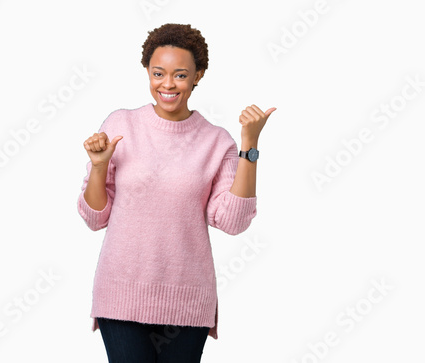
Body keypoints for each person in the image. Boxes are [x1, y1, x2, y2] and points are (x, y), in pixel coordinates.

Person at [77, 23, 276, 363]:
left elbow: (232, 220)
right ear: (147, 72)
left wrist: (250, 145)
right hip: (121, 296)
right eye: (158, 73)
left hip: (187, 303)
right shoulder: (120, 125)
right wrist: (98, 166)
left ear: (198, 75)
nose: (167, 84)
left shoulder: (217, 141)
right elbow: (95, 217)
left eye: (180, 75)